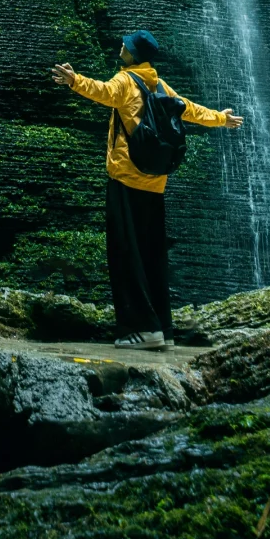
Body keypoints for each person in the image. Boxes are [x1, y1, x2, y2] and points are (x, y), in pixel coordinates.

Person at [52, 30, 243, 351]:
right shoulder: (158, 84)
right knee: (152, 257)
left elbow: (104, 92)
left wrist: (74, 80)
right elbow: (189, 109)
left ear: (133, 54)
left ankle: (141, 329)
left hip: (127, 180)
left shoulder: (126, 81)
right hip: (155, 185)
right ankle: (163, 330)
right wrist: (220, 119)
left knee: (126, 255)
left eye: (125, 45)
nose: (120, 46)